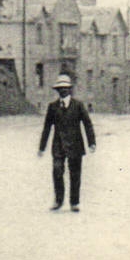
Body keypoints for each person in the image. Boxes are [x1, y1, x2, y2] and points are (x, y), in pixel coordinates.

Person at [38, 73, 95, 211]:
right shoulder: (52, 107)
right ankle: (58, 201)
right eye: (60, 88)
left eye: (65, 88)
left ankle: (74, 202)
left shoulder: (78, 105)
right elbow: (47, 127)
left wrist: (91, 142)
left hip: (75, 145)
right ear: (57, 90)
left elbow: (87, 124)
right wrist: (42, 147)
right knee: (57, 171)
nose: (62, 90)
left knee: (75, 174)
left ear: (70, 89)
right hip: (58, 146)